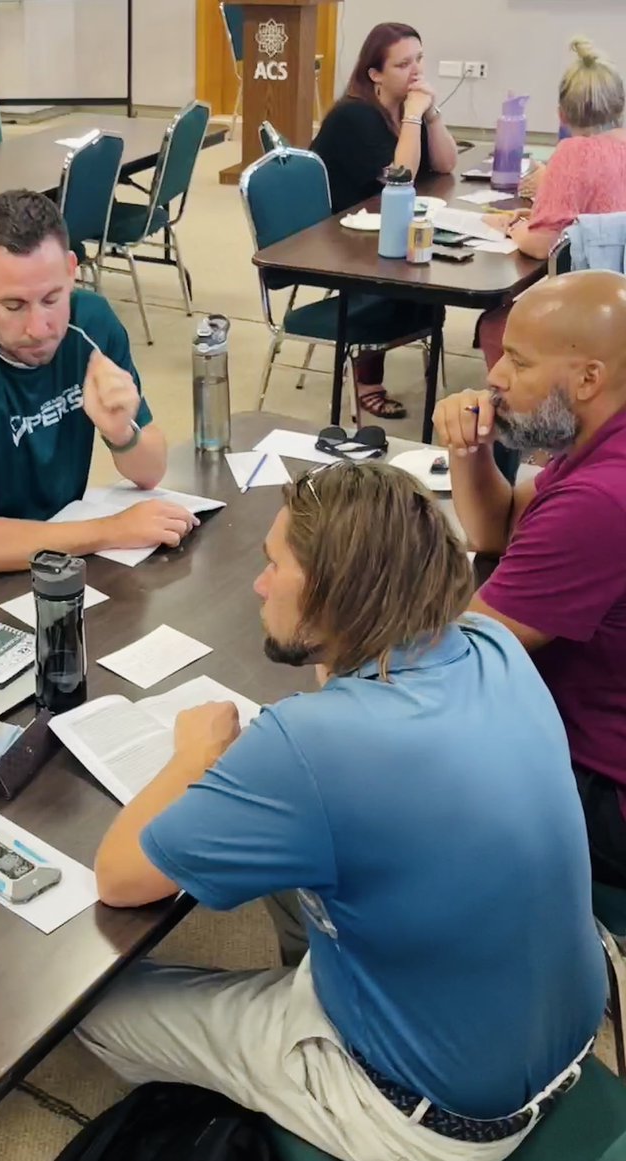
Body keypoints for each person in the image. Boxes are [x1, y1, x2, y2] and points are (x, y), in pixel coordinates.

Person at [80, 459, 605, 1161]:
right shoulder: (494, 645)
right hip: (557, 1043)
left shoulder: (308, 747)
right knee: (315, 858)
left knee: (97, 1008)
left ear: (335, 598)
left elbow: (120, 875)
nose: (259, 584)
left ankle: (297, 1083)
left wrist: (192, 757)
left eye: (275, 567)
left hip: (431, 1120)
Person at [0, 189, 190, 607]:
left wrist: (121, 433)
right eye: (14, 305)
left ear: (70, 272)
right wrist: (113, 529)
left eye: (51, 299)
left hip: (56, 544)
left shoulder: (91, 324)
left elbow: (150, 471)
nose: (39, 327)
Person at [432, 269, 626, 888]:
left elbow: (451, 661)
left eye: (517, 360)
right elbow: (497, 530)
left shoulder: (601, 501)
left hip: (601, 787)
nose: (494, 376)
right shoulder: (600, 436)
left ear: (588, 378)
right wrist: (469, 450)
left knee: (379, 783)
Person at [312, 23, 459, 419]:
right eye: (402, 64)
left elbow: (445, 165)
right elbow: (401, 178)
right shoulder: (354, 117)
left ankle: (404, 335)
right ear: (375, 74)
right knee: (409, 269)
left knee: (435, 266)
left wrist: (430, 114)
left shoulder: (403, 109)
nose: (416, 71)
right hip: (339, 243)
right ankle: (367, 378)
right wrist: (413, 116)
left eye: (419, 59)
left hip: (381, 230)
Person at [477, 38, 626, 365]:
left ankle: (518, 414)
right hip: (620, 298)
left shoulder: (571, 154)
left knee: (493, 326)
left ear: (561, 114)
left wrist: (514, 226)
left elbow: (543, 245)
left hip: (592, 308)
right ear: (621, 105)